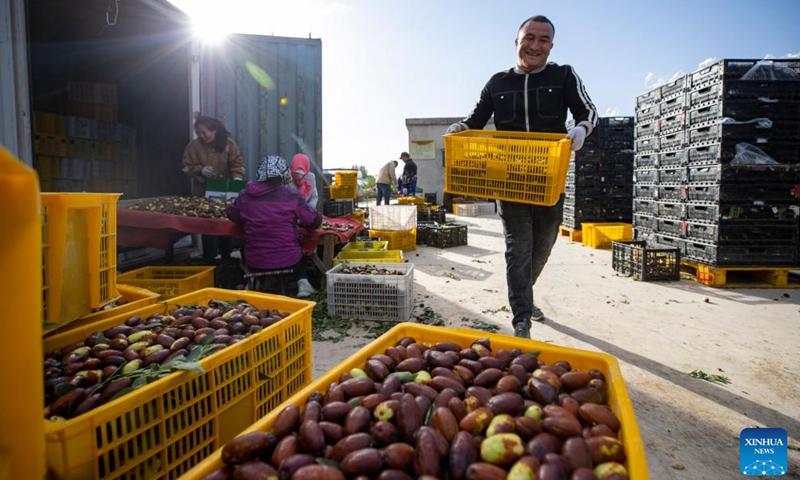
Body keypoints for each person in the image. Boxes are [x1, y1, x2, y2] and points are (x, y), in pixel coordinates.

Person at [446, 15, 597, 338]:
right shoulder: (498, 82)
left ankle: (524, 292)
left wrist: (582, 129)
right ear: (517, 42)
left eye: (543, 40)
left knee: (543, 246)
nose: (535, 45)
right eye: (530, 37)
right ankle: (521, 319)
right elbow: (474, 119)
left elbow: (588, 111)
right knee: (518, 248)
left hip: (549, 178)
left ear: (551, 46)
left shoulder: (563, 75)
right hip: (509, 179)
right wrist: (460, 127)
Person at [226, 156, 322, 298]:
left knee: (249, 248)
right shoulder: (292, 196)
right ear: (283, 175)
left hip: (255, 261)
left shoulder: (245, 195)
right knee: (298, 251)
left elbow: (232, 214)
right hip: (289, 261)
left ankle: (255, 280)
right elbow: (313, 222)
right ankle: (303, 284)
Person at [182, 116, 246, 262]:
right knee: (207, 223)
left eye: (205, 132)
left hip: (225, 191)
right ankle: (209, 257)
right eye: (199, 133)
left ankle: (226, 255)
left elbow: (238, 163)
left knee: (226, 221)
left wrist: (237, 179)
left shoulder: (229, 144)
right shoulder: (193, 147)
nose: (202, 136)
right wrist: (200, 170)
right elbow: (186, 167)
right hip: (204, 191)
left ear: (214, 130)